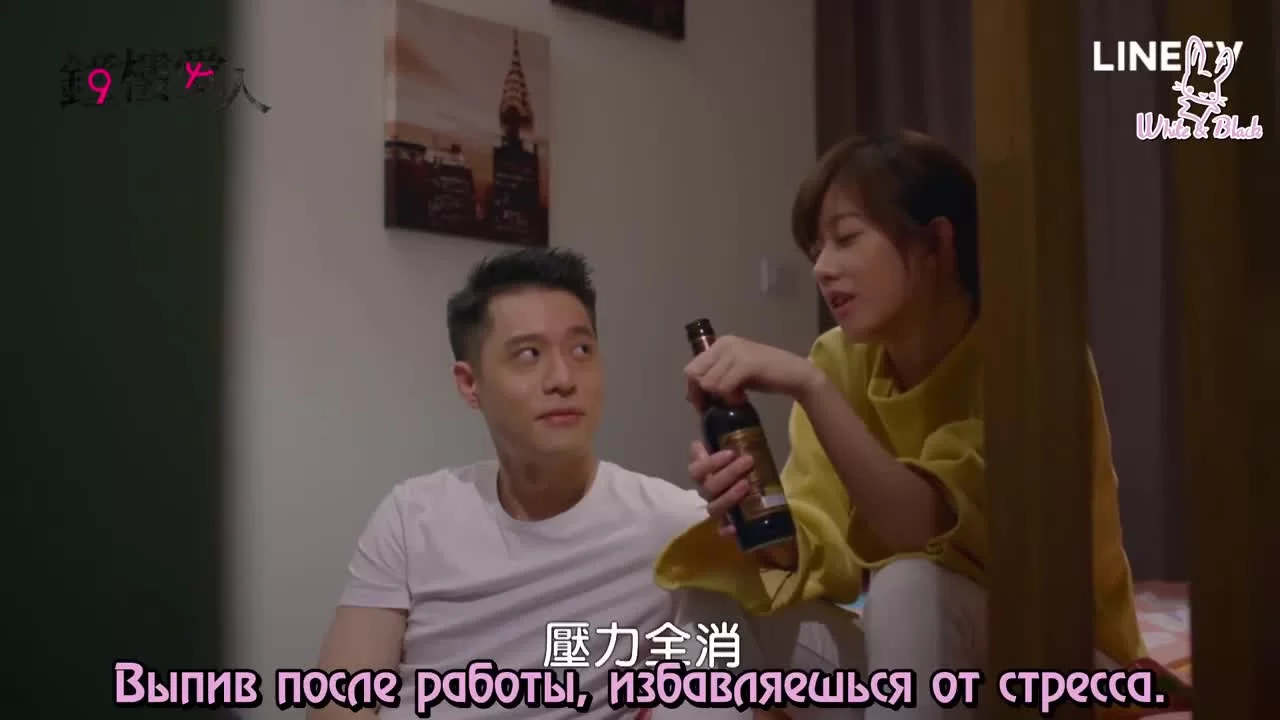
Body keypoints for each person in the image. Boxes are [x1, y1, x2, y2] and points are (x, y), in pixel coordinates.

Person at [654, 131, 1146, 719]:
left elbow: (922, 529)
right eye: (815, 250)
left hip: (1059, 663)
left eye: (846, 239)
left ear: (937, 241)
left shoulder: (1029, 352)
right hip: (922, 669)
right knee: (712, 602)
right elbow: (824, 540)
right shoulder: (839, 360)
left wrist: (809, 388)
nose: (823, 269)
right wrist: (757, 519)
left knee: (909, 584)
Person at [309, 248, 842, 720]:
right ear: (470, 385)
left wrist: (752, 513)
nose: (563, 378)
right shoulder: (413, 516)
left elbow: (807, 609)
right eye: (529, 355)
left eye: (582, 350)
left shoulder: (673, 527)